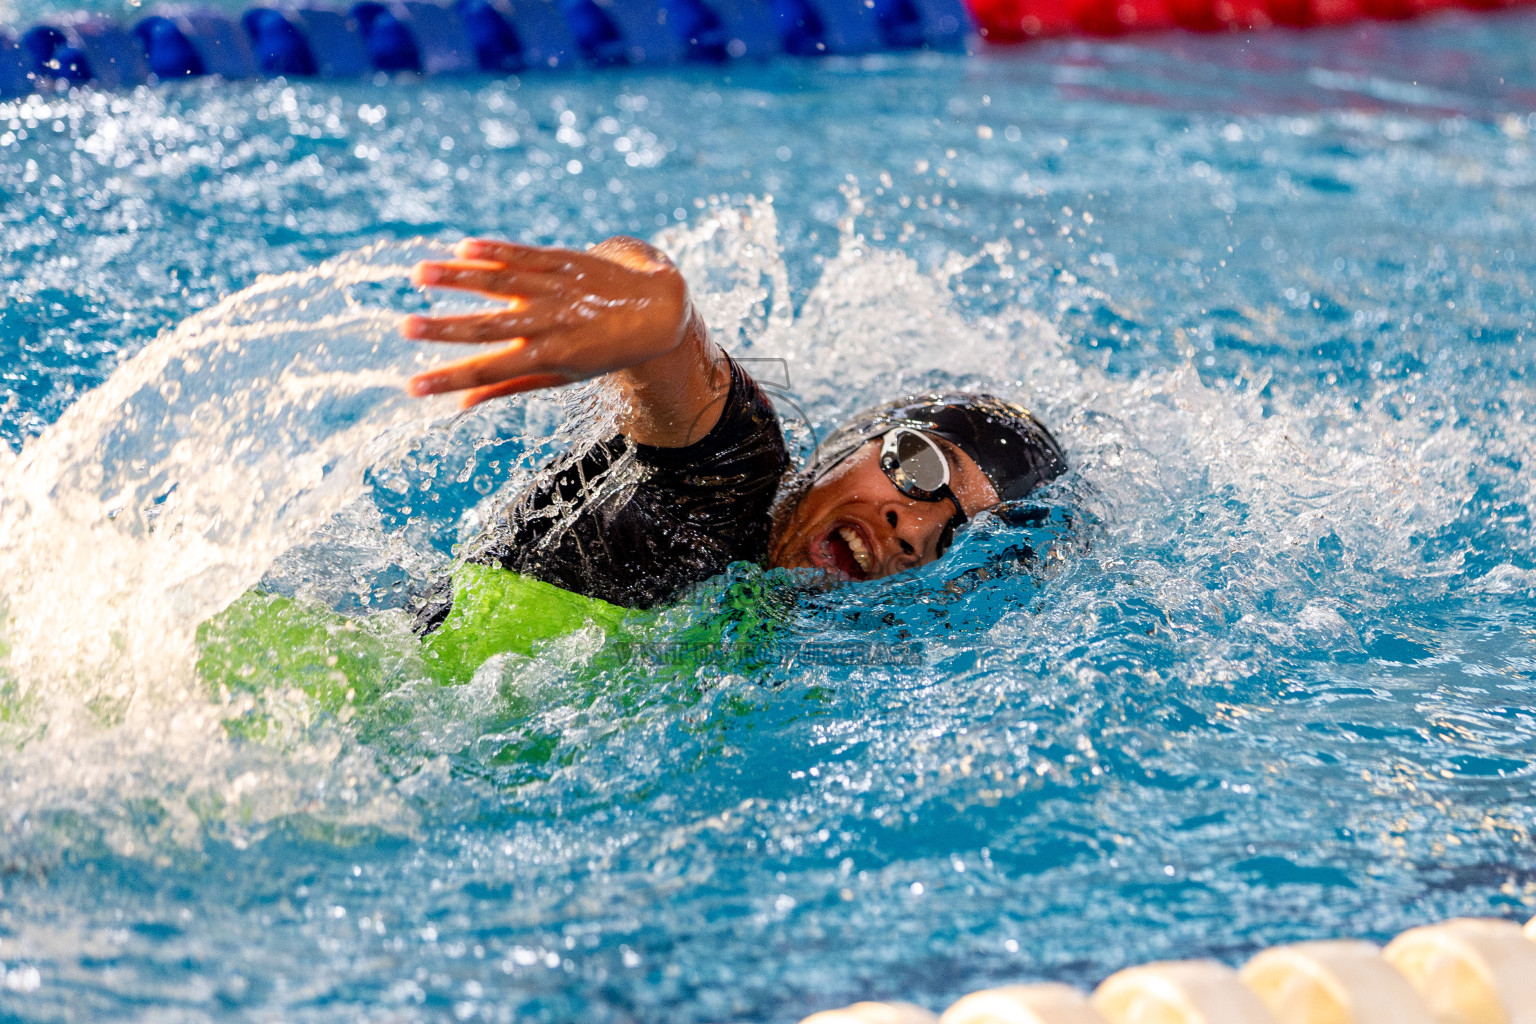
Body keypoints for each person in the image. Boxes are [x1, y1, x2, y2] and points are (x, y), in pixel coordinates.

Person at [403, 234, 1066, 629]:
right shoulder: (731, 490)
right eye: (920, 467)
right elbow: (685, 368)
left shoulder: (808, 641)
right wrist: (651, 315)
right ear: (855, 442)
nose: (912, 530)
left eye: (955, 539)